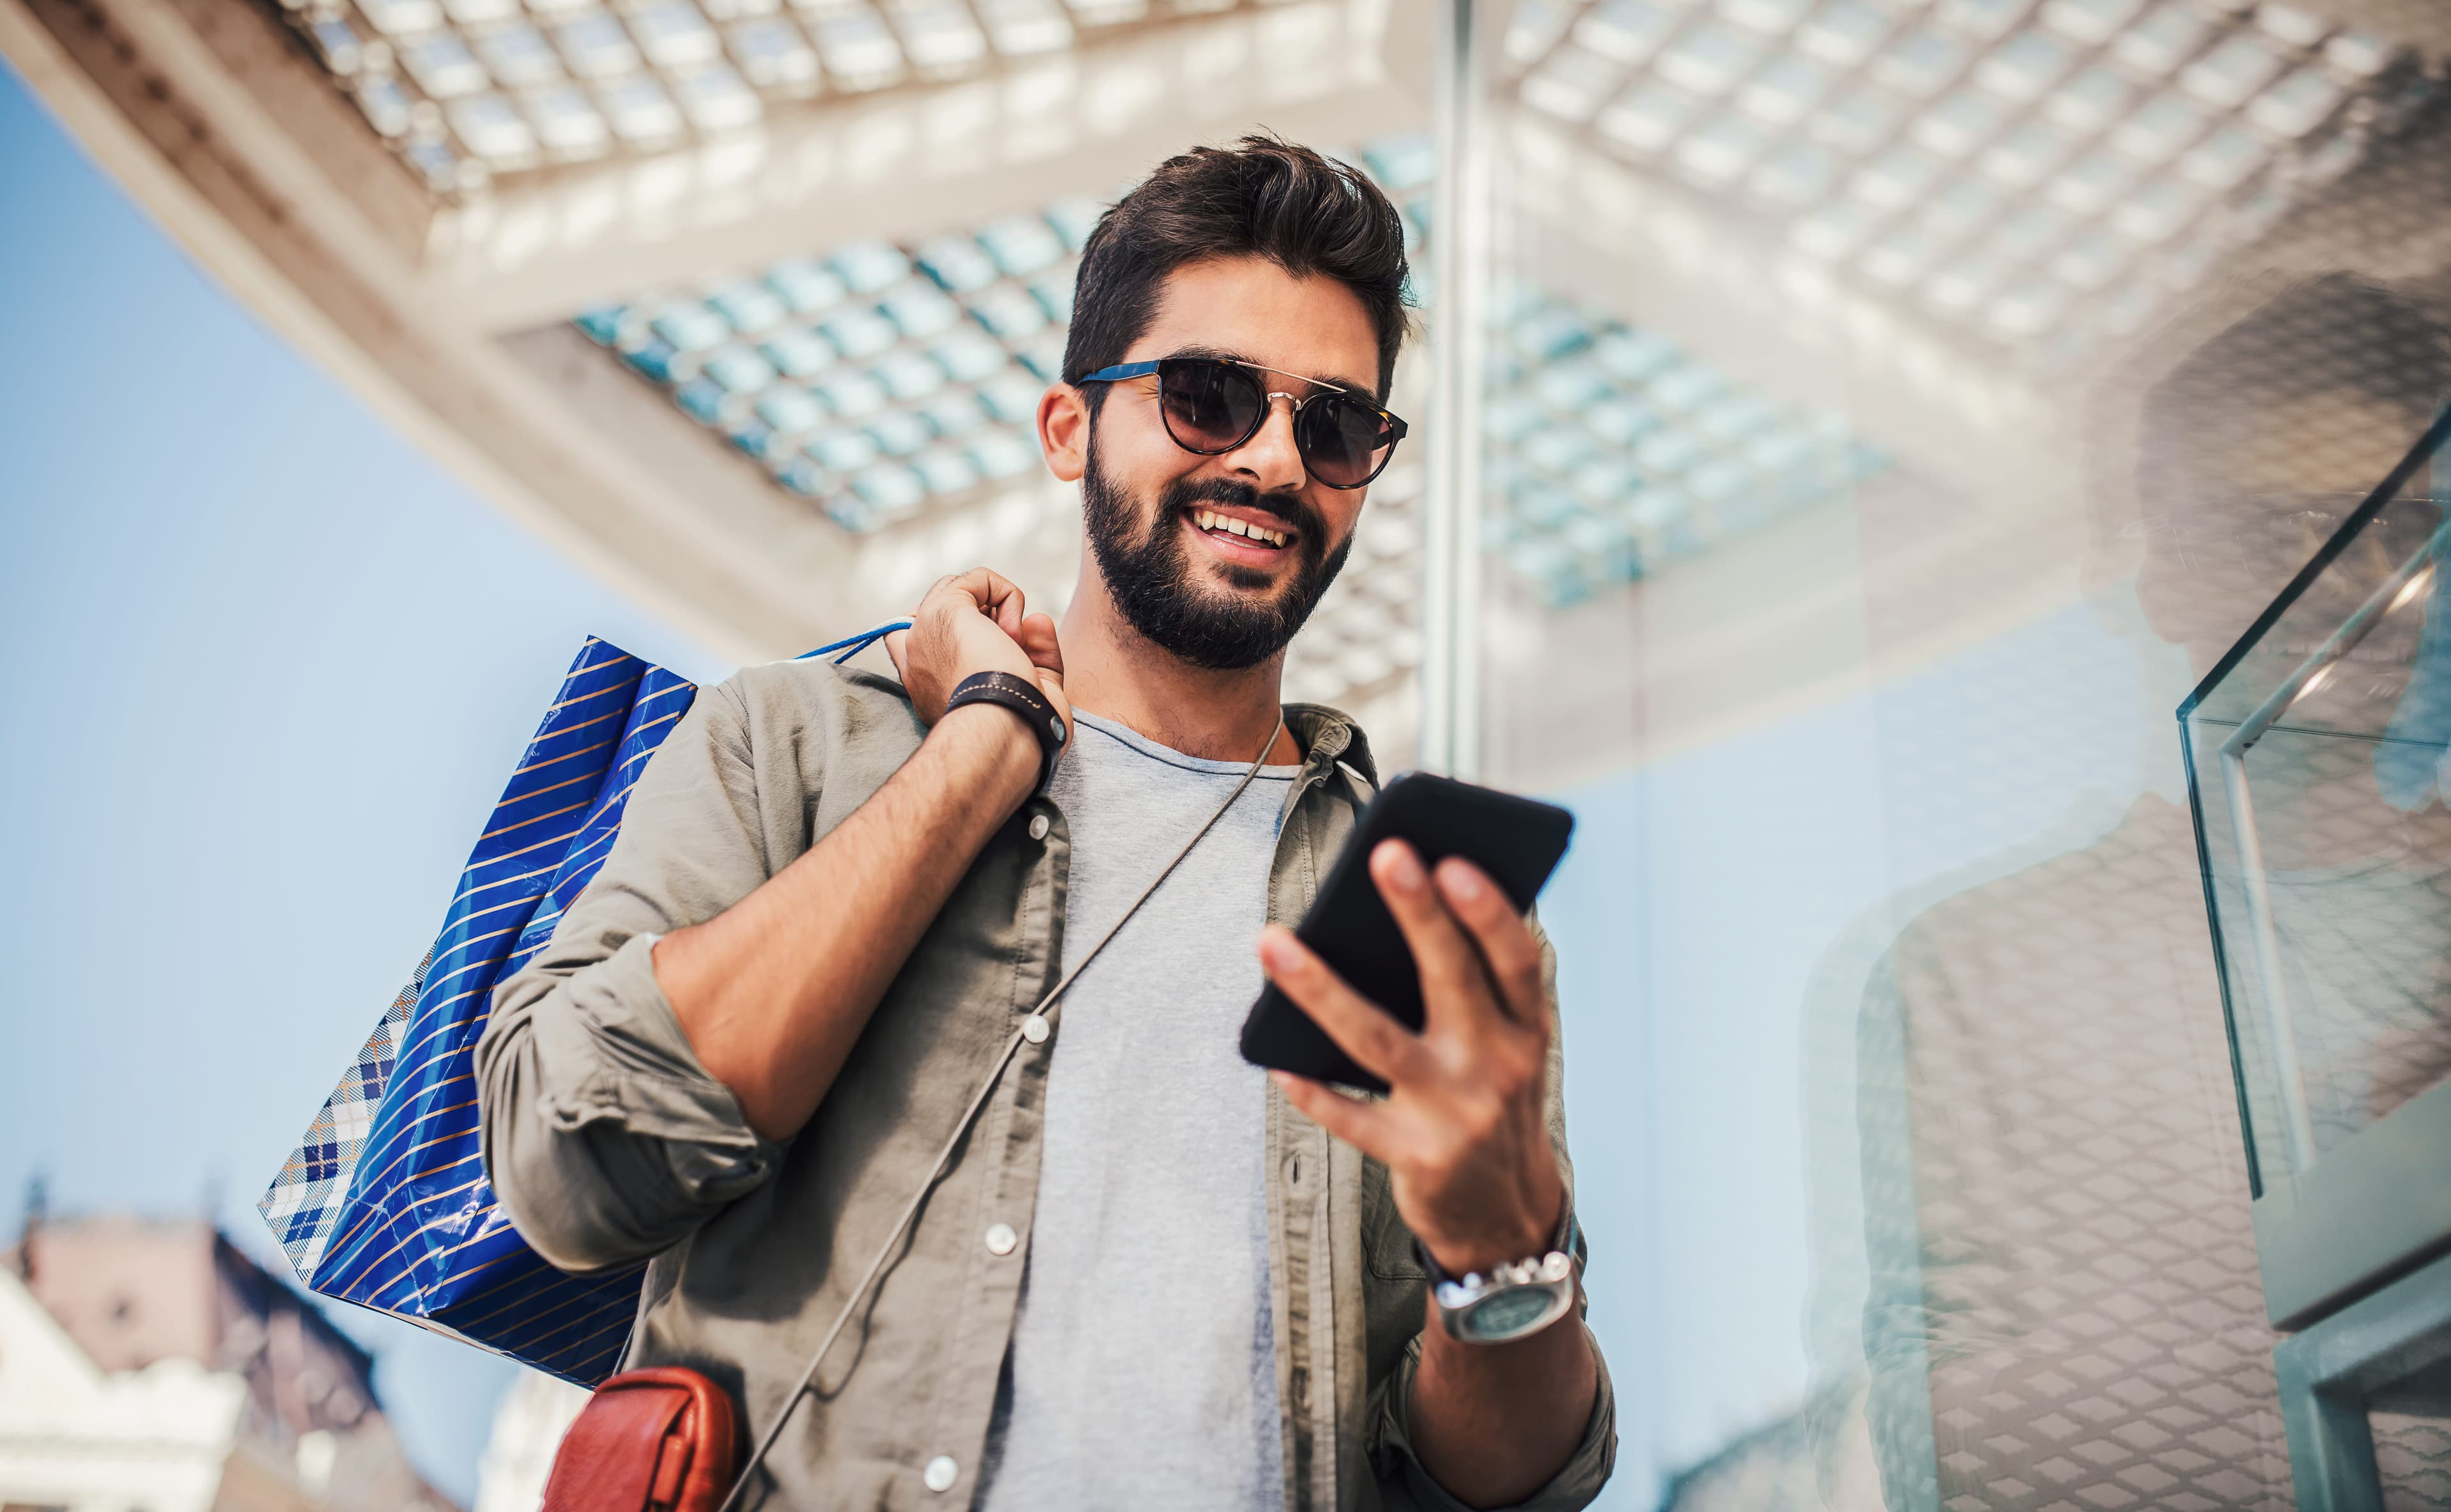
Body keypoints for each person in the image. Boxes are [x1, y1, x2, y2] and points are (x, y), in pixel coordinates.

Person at [475, 135, 1616, 1511]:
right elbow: (573, 1162)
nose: (1272, 460)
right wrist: (984, 747)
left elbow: (1506, 1488)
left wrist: (1504, 1263)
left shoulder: (1416, 916)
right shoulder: (800, 743)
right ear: (1069, 427)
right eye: (1206, 397)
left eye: (1333, 426)